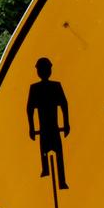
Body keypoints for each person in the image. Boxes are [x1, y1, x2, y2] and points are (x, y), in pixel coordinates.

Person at [26, 57, 70, 190]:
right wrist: (32, 128)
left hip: (53, 127)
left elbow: (64, 105)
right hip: (45, 128)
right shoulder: (35, 88)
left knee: (58, 154)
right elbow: (29, 109)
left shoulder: (55, 86)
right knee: (45, 152)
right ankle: (46, 171)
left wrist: (66, 123)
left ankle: (61, 181)